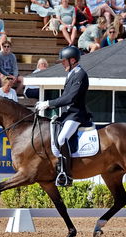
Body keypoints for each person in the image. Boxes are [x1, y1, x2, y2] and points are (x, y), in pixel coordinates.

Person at [35, 46, 91, 187]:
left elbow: (70, 98)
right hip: (67, 114)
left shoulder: (80, 74)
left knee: (62, 138)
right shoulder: (71, 73)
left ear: (72, 60)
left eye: (64, 61)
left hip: (76, 114)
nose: (62, 64)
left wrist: (49, 103)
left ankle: (66, 173)